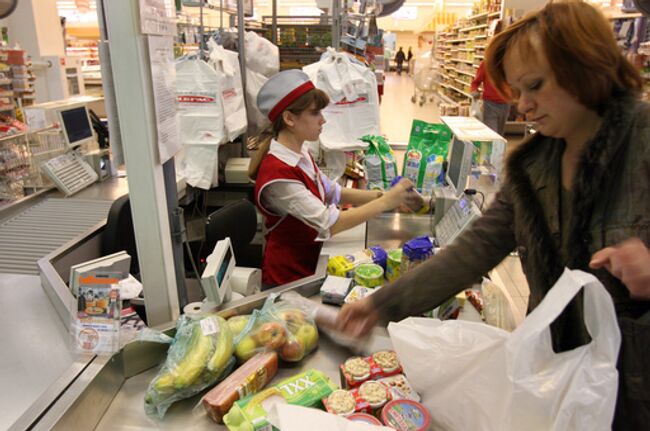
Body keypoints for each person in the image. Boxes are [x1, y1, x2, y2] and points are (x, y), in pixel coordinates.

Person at [337, 2, 650, 428]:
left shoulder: (643, 142)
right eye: (516, 91)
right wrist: (382, 303)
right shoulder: (533, 168)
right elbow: (477, 247)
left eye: (534, 86)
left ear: (587, 66)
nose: (522, 106)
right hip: (558, 379)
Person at [249, 69, 419, 287]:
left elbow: (332, 192)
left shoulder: (299, 152)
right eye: (314, 113)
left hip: (311, 262)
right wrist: (385, 202)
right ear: (289, 118)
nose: (323, 120)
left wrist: (384, 196)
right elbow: (328, 223)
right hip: (289, 278)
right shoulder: (278, 176)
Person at [471, 22, 510, 136]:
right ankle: (491, 153)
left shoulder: (509, 65)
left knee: (500, 134)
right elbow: (476, 82)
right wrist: (474, 91)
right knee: (492, 135)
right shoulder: (486, 64)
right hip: (490, 104)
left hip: (505, 104)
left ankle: (497, 153)